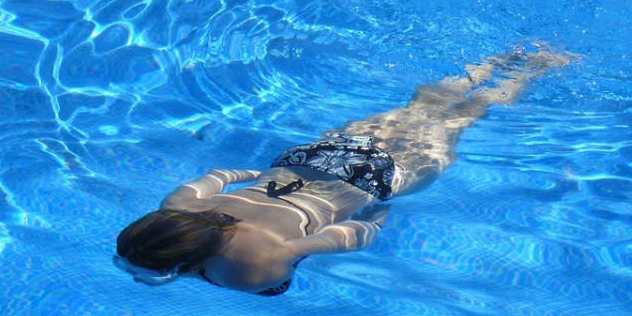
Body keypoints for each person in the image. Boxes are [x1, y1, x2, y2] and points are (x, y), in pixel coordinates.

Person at [114, 48, 570, 295]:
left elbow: (339, 238)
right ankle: (495, 58)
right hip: (310, 158)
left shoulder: (250, 269)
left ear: (179, 264)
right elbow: (219, 173)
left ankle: (538, 66)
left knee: (463, 117)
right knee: (425, 105)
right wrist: (257, 171)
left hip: (370, 180)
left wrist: (372, 222)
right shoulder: (176, 205)